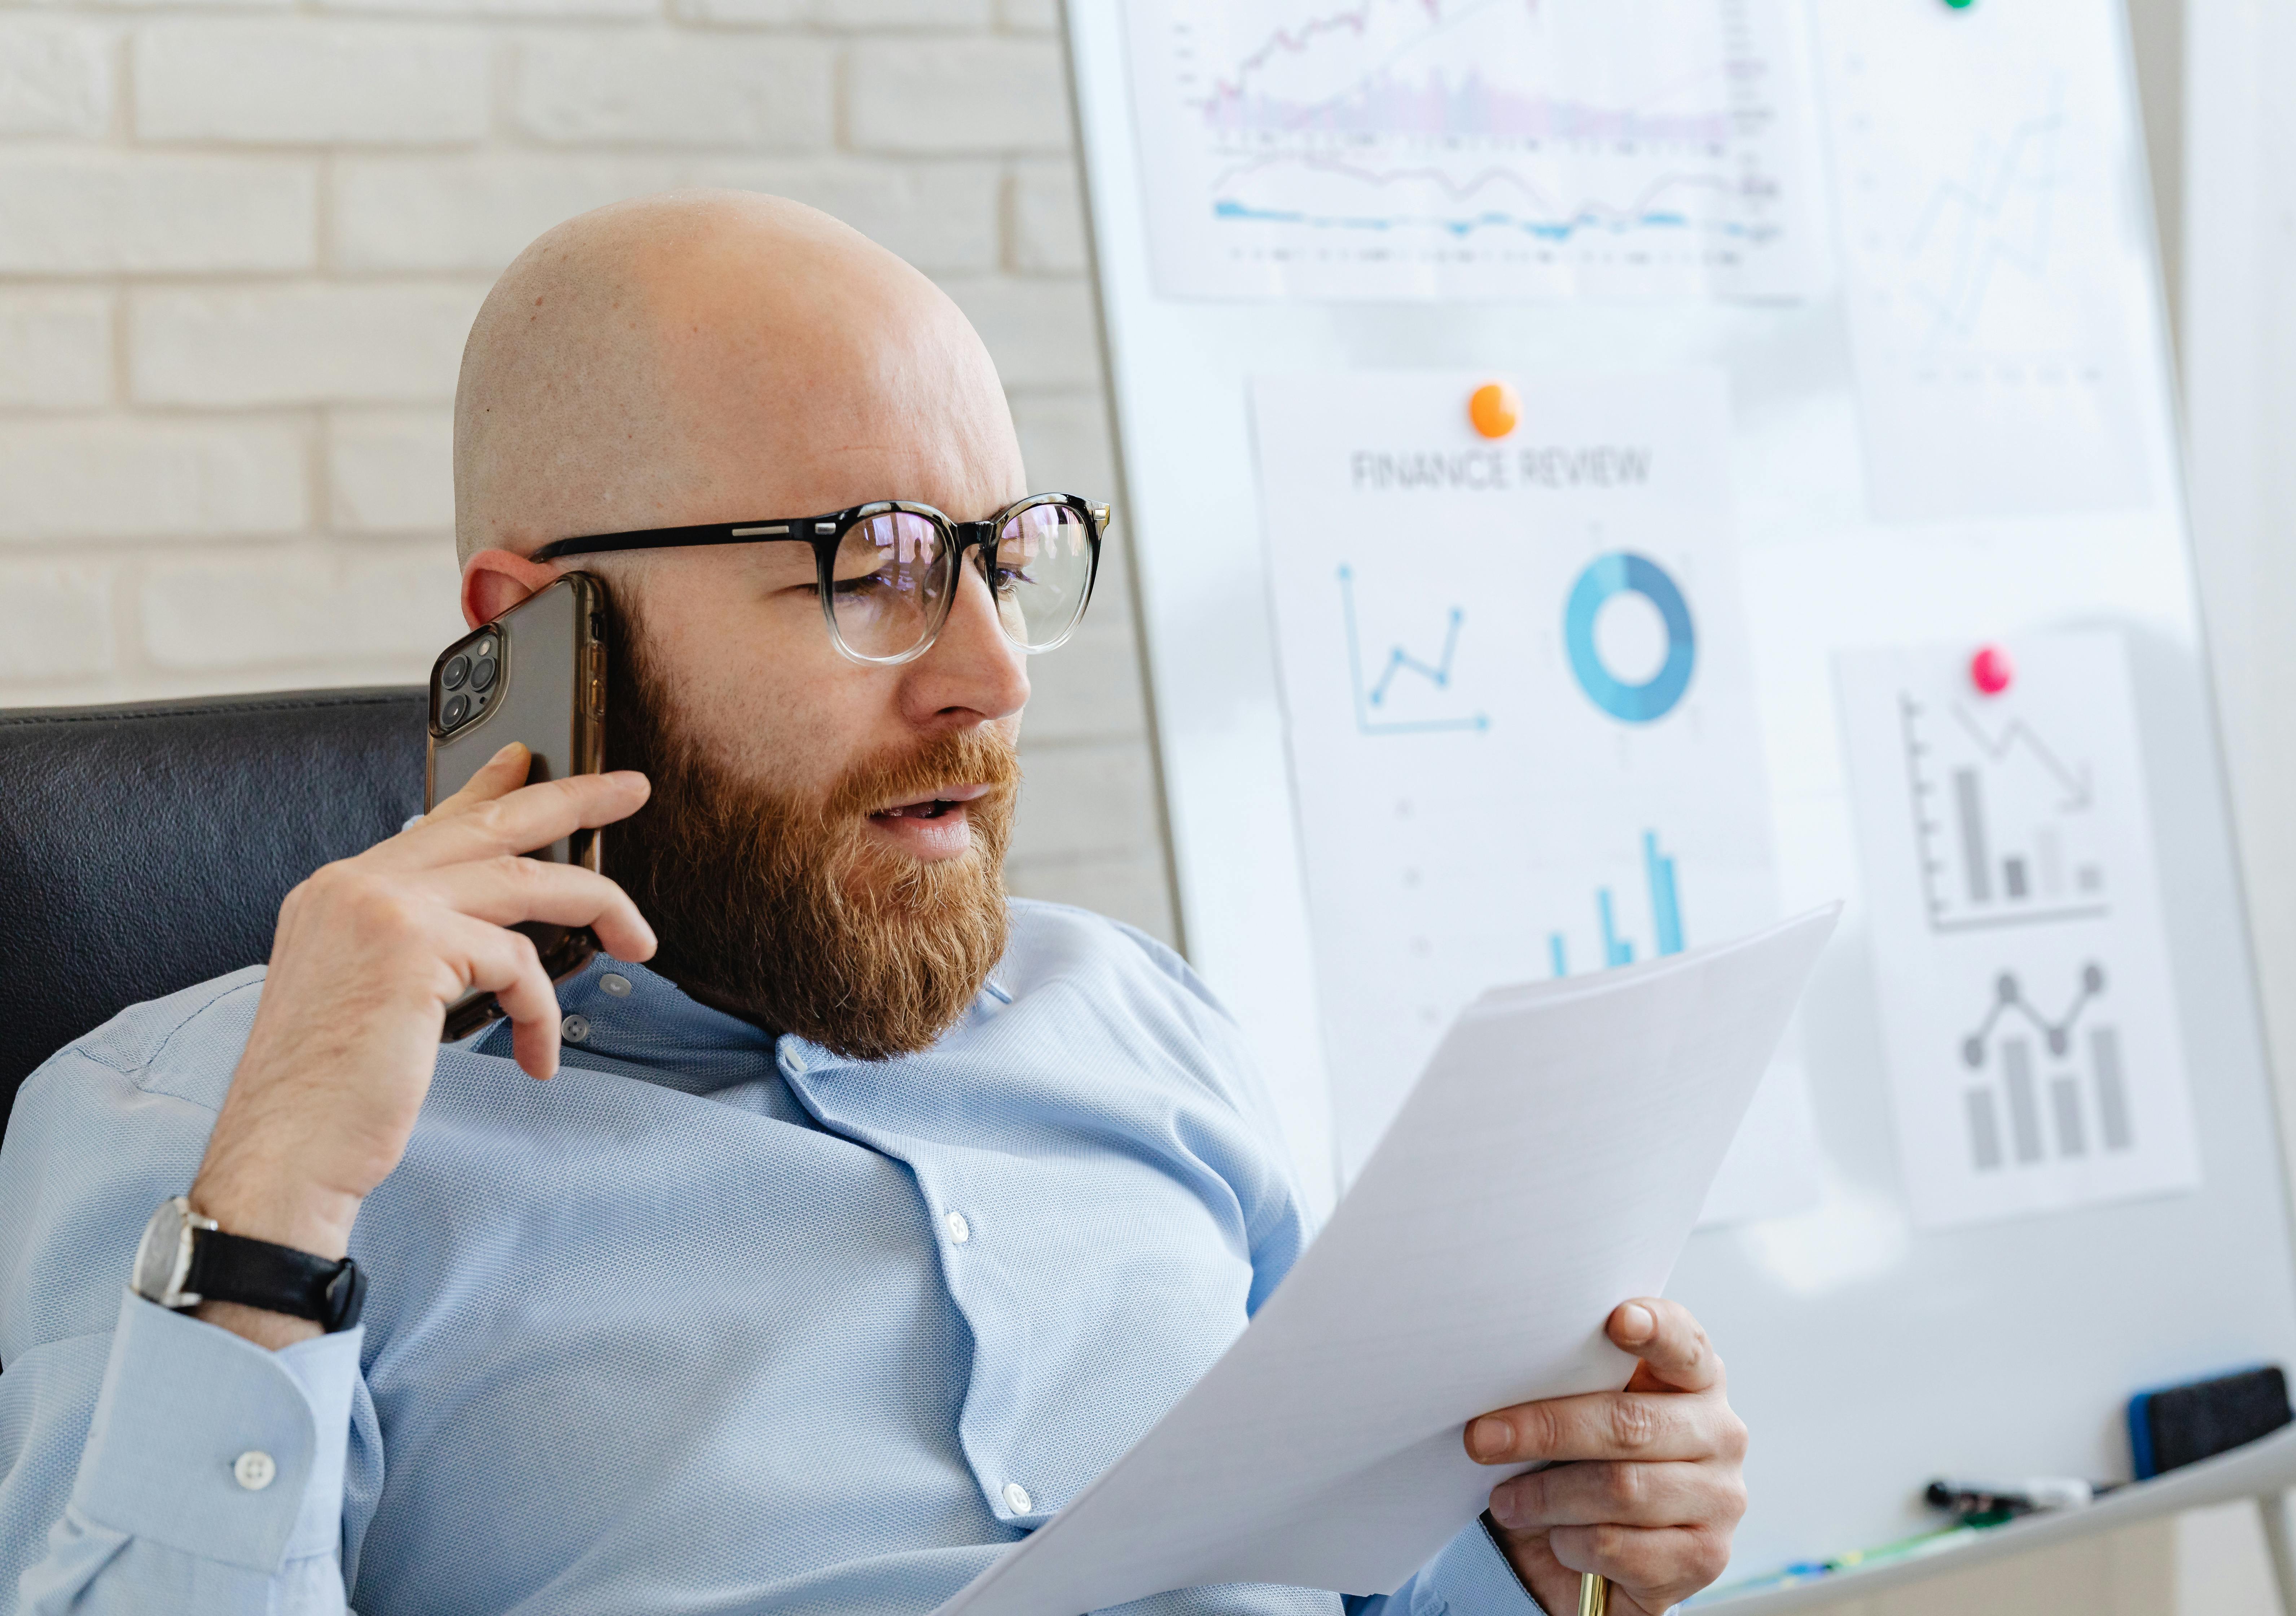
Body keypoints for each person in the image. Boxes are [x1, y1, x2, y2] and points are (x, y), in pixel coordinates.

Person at [0, 192, 1746, 1616]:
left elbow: (1380, 1573)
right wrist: (268, 1225)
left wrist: (1546, 1542)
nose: (991, 674)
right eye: (879, 570)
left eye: (1004, 558)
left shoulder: (1138, 1019)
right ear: (540, 627)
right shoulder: (213, 1133)